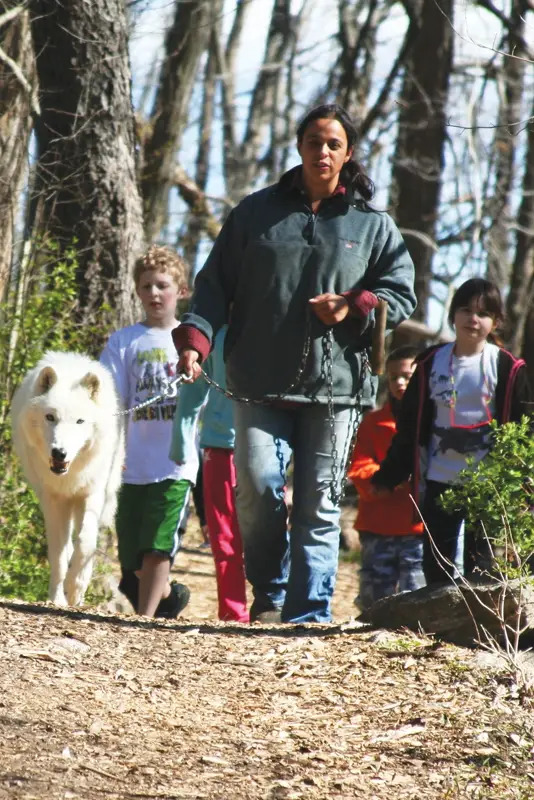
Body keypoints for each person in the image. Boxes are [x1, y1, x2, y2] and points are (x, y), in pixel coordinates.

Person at [173, 103, 417, 624]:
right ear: (300, 147)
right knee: (258, 490)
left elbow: (401, 294)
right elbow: (214, 284)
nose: (322, 152)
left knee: (318, 505)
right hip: (257, 381)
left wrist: (355, 304)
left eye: (333, 144)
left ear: (348, 153)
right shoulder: (256, 214)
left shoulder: (372, 226)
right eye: (314, 141)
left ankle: (308, 614)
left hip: (337, 389)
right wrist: (194, 340)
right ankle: (274, 592)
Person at [371, 278, 532, 586]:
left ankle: (475, 629)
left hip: (488, 487)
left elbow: (525, 430)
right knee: (437, 565)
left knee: (482, 567)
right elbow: (410, 427)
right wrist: (389, 474)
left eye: (483, 313)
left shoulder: (508, 368)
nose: (473, 319)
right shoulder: (432, 363)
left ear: (496, 321)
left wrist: (522, 481)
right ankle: (436, 630)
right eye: (465, 310)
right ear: (453, 316)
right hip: (439, 480)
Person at [101, 245, 196, 618]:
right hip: (131, 464)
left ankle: (144, 624)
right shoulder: (124, 342)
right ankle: (170, 597)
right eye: (146, 287)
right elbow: (110, 400)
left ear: (181, 291)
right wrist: (114, 453)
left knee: (159, 547)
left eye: (162, 285)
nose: (154, 294)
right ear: (137, 292)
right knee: (132, 563)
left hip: (176, 463)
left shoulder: (193, 342)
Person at [171, 326, 249, 622]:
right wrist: (181, 442)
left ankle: (272, 603)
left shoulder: (275, 326)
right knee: (224, 536)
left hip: (268, 443)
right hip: (219, 445)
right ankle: (234, 613)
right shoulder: (212, 333)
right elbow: (192, 392)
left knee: (266, 532)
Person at [347, 345, 425, 610]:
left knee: (419, 601)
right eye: (393, 377)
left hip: (419, 532)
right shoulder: (373, 423)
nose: (400, 383)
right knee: (373, 604)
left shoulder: (435, 423)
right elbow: (359, 468)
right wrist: (388, 480)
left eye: (407, 375)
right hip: (378, 528)